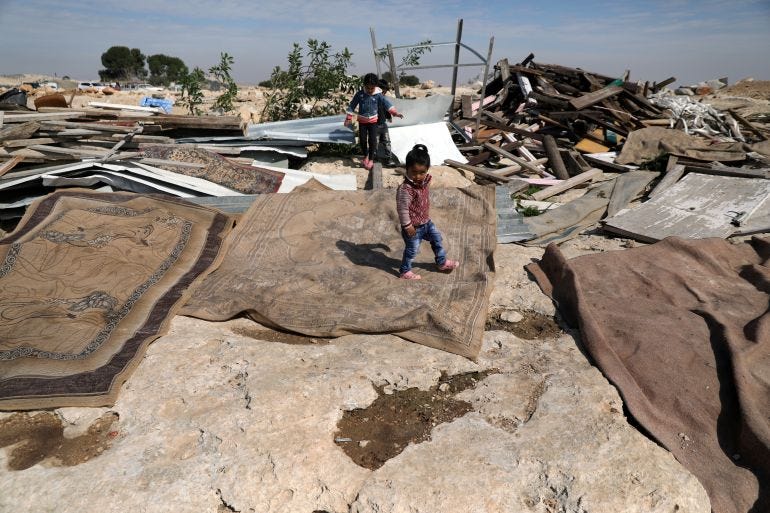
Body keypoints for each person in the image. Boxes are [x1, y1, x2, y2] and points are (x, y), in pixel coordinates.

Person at [396, 144, 460, 280]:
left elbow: (425, 184)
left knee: (437, 239)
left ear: (427, 170)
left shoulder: (424, 182)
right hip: (413, 227)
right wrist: (407, 226)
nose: (418, 176)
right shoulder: (406, 189)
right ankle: (404, 271)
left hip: (426, 222)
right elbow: (402, 209)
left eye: (422, 172)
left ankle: (441, 262)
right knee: (412, 250)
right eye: (414, 172)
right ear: (406, 169)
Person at [344, 73, 402, 170]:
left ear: (375, 86)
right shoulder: (360, 94)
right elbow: (352, 105)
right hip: (362, 121)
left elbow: (387, 104)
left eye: (372, 88)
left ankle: (371, 159)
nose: (370, 90)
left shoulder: (378, 95)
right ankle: (365, 156)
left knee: (372, 140)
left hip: (373, 122)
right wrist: (348, 118)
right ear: (364, 85)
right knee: (362, 140)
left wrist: (395, 113)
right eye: (368, 88)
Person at [375, 78, 396, 165]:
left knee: (387, 142)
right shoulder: (372, 100)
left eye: (384, 92)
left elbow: (387, 109)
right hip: (374, 125)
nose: (383, 94)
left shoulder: (384, 99)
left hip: (383, 124)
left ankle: (389, 159)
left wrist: (389, 117)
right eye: (382, 92)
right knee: (374, 142)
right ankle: (375, 159)